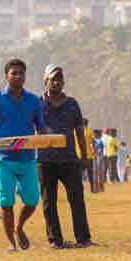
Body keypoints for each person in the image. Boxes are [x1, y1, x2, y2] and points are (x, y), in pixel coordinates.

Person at [0, 59, 48, 252]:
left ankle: (20, 227)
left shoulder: (33, 101)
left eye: (21, 73)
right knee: (6, 203)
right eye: (14, 73)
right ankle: (11, 244)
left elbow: (41, 127)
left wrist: (50, 137)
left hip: (27, 158)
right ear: (6, 76)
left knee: (32, 201)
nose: (18, 76)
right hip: (3, 158)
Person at [37, 64, 94, 249]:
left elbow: (79, 130)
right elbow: (30, 128)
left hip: (69, 158)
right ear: (46, 82)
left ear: (64, 82)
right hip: (45, 159)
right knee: (48, 202)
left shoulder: (72, 103)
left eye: (59, 79)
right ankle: (55, 240)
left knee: (77, 199)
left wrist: (84, 155)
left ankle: (83, 238)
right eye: (52, 79)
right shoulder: (38, 103)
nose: (56, 82)